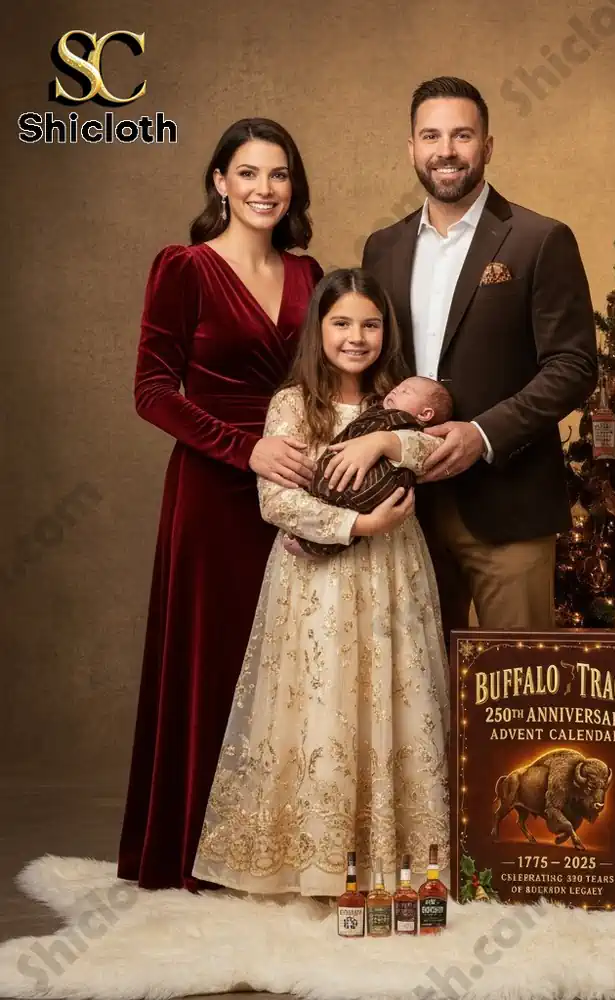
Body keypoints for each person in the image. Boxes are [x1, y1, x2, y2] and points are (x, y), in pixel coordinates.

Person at [192, 269, 450, 897]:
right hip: (317, 579)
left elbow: (434, 452)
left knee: (394, 687)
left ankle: (400, 855)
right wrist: (355, 521)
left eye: (369, 324)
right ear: (319, 330)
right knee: (324, 693)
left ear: (385, 333)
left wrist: (389, 439)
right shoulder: (292, 404)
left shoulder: (398, 401)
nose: (356, 337)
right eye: (341, 323)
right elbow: (275, 501)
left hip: (393, 571)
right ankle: (315, 860)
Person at [118, 119, 324, 892]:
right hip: (212, 490)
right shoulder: (187, 269)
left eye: (279, 175)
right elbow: (151, 393)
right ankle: (195, 856)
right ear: (219, 183)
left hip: (297, 488)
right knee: (216, 662)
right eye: (248, 174)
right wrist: (246, 449)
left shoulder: (311, 275)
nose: (264, 189)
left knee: (290, 665)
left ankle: (276, 849)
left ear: (293, 187)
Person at [362, 76, 599, 643]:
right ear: (412, 148)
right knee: (412, 698)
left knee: (515, 695)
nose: (446, 150)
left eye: (462, 135)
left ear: (487, 146)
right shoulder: (382, 248)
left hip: (507, 504)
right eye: (431, 136)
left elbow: (573, 365)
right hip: (400, 508)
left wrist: (482, 434)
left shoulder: (539, 240)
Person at [286, 375, 453, 557]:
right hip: (341, 480)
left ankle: (314, 547)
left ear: (425, 414)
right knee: (333, 500)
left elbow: (433, 448)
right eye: (398, 386)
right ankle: (314, 543)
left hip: (369, 487)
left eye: (406, 391)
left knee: (348, 504)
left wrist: (383, 442)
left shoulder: (403, 422)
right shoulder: (377, 410)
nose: (396, 389)